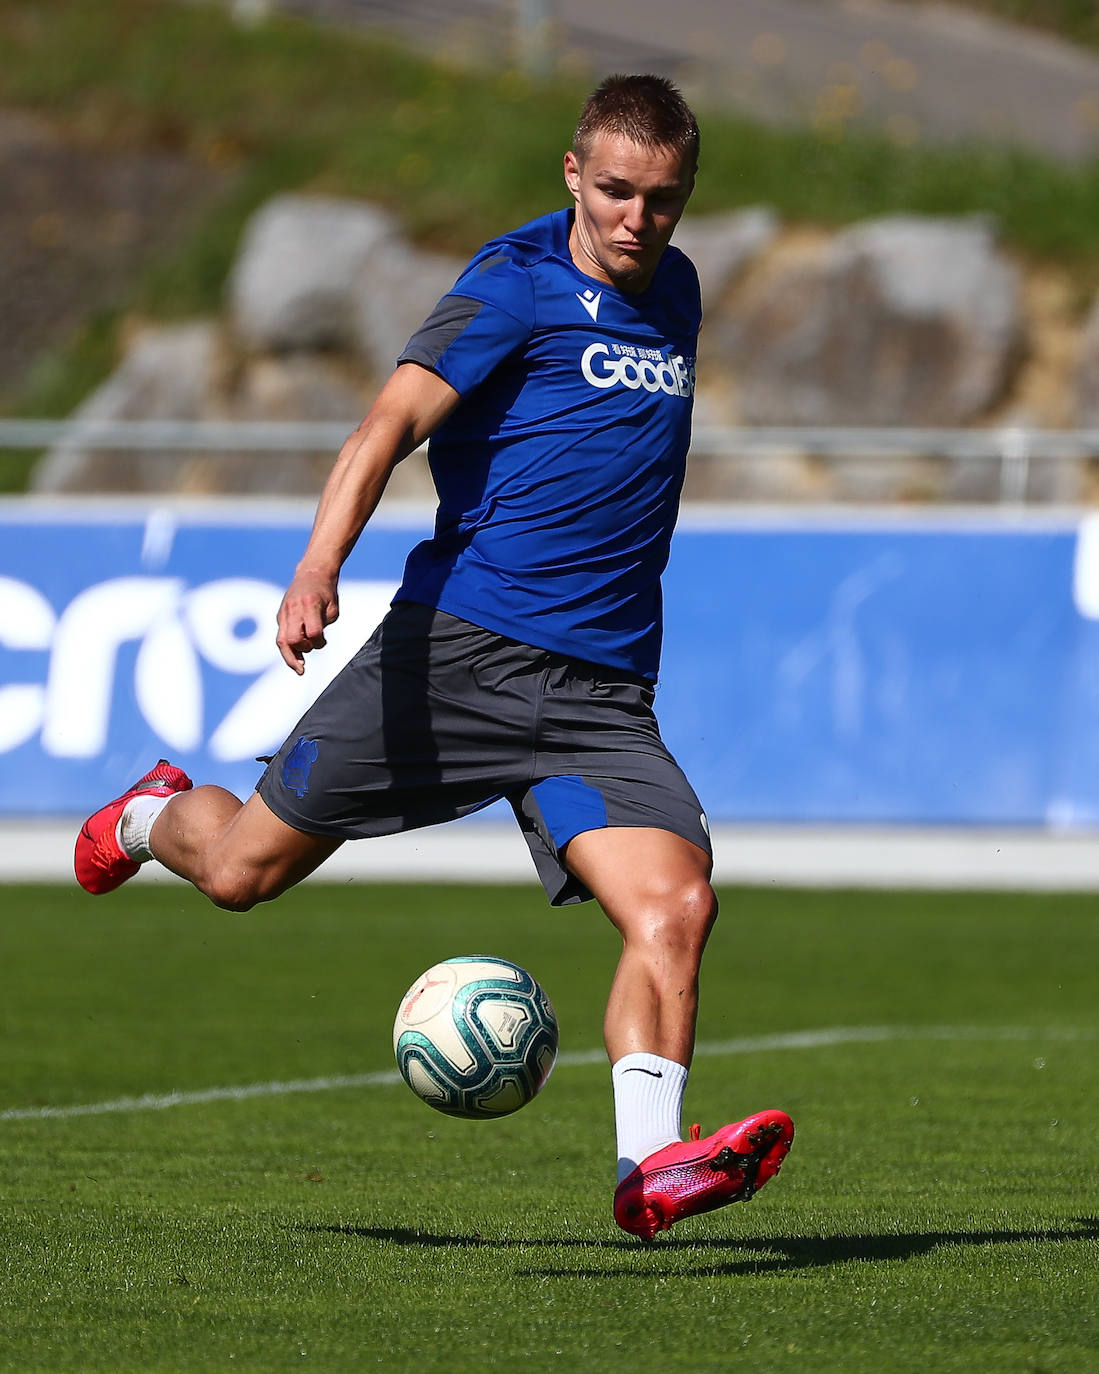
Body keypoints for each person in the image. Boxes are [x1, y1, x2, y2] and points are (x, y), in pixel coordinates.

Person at [75, 74, 793, 1240]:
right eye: (613, 192)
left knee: (676, 908)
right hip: (454, 661)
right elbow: (386, 428)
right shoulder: (513, 286)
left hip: (599, 699)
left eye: (662, 200)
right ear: (572, 174)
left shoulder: (680, 292)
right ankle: (157, 814)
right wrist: (317, 570)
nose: (635, 221)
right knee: (242, 872)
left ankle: (652, 1163)